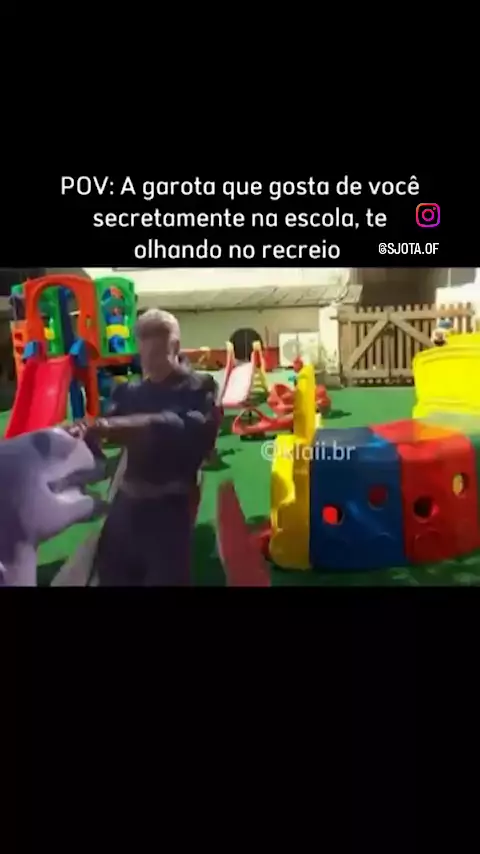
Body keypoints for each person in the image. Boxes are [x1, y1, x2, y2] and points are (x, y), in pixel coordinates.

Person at [71, 309, 221, 586]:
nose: (149, 363)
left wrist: (109, 426)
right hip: (126, 506)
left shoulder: (199, 388)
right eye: (144, 354)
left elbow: (180, 427)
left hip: (170, 509)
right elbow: (105, 430)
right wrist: (84, 435)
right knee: (112, 577)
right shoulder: (129, 393)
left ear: (175, 347)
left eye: (157, 354)